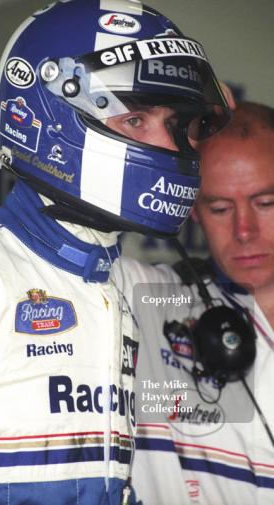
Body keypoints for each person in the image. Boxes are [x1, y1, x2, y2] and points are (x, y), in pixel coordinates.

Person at [0, 0, 230, 503]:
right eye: (136, 120)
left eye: (178, 125)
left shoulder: (113, 288)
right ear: (52, 117)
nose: (173, 148)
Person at [122, 102, 274, 505]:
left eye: (266, 203)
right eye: (220, 208)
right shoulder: (151, 300)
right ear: (192, 209)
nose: (244, 231)